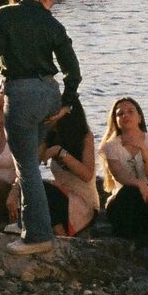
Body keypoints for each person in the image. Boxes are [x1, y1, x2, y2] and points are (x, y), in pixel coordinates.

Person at [0, 0, 81, 255]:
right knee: (31, 165)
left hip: (22, 94)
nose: (52, 6)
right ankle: (32, 224)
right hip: (49, 93)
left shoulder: (4, 15)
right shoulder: (52, 23)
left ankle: (37, 235)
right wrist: (66, 102)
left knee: (26, 167)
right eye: (52, 0)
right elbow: (73, 71)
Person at [100, 97, 148, 251]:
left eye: (130, 111)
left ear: (139, 117)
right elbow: (119, 176)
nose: (125, 115)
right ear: (115, 120)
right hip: (124, 202)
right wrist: (140, 185)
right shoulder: (111, 146)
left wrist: (143, 150)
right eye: (120, 114)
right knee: (130, 191)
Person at [40, 99, 99, 237]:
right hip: (61, 198)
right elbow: (31, 163)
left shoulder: (85, 137)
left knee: (43, 188)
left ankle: (61, 237)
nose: (47, 114)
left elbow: (87, 175)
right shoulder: (50, 137)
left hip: (83, 203)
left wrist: (59, 152)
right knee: (34, 187)